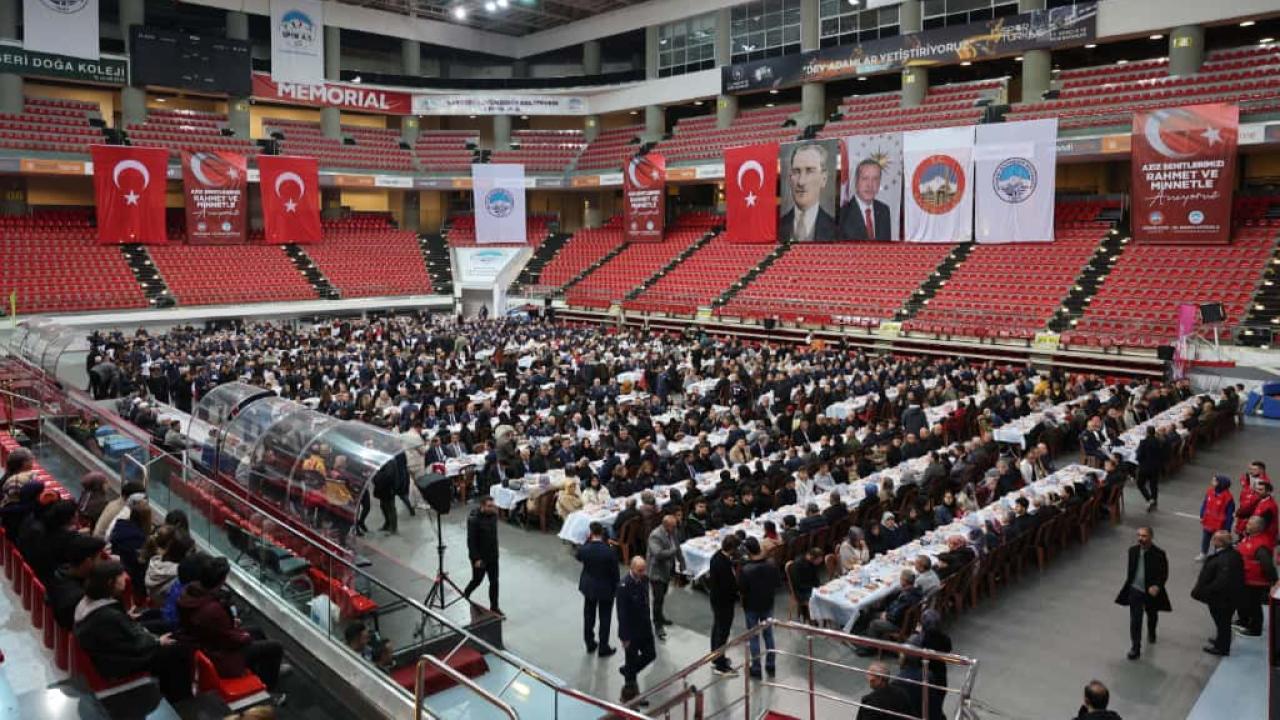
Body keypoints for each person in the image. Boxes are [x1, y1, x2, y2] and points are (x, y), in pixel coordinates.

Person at [74, 560, 194, 702]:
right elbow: (134, 644)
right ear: (110, 582)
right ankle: (180, 700)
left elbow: (120, 632)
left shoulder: (90, 600)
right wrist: (157, 641)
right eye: (121, 576)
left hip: (111, 647)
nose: (125, 577)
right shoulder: (108, 617)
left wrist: (126, 618)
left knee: (157, 622)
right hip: (117, 661)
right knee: (177, 650)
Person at [177, 556, 286, 693]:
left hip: (208, 642)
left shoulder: (190, 591)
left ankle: (264, 668)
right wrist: (244, 635)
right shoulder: (212, 610)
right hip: (222, 656)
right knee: (276, 647)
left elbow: (218, 629)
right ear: (221, 580)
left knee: (257, 631)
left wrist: (231, 626)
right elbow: (231, 639)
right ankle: (269, 689)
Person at [1114, 526, 1170, 660]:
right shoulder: (1132, 551)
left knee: (1152, 614)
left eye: (1144, 536)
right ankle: (1135, 647)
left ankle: (1151, 631)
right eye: (1139, 535)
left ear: (1151, 537)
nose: (1140, 538)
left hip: (1151, 592)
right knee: (1135, 620)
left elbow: (1163, 573)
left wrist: (1157, 586)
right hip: (1135, 590)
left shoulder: (1159, 554)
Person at [1191, 530, 1244, 656]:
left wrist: (1207, 590)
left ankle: (1222, 647)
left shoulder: (1224, 559)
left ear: (1220, 542)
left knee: (1222, 622)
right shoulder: (1233, 554)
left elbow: (1221, 581)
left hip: (1222, 598)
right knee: (1221, 622)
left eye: (1214, 539)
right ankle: (1220, 640)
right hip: (1227, 597)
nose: (1212, 540)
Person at [737, 536, 781, 679]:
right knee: (768, 634)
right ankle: (771, 664)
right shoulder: (771, 565)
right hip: (767, 603)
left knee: (753, 637)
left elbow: (742, 590)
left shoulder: (746, 569)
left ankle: (756, 668)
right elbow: (778, 583)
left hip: (751, 605)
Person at [778, 142, 838, 242]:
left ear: (823, 178)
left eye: (809, 171)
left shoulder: (837, 228)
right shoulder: (777, 225)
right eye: (796, 171)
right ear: (790, 178)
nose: (801, 182)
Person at [616, 556, 656, 706]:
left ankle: (628, 670)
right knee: (631, 664)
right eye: (640, 570)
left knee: (650, 655)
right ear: (631, 568)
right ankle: (632, 698)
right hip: (631, 633)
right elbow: (621, 614)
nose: (643, 572)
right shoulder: (624, 586)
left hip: (645, 628)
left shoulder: (644, 579)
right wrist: (624, 637)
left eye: (644, 569)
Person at [47, 534, 107, 629]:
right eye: (100, 558)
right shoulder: (78, 599)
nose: (102, 562)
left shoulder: (60, 573)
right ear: (88, 562)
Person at [577, 522, 619, 656]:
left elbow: (578, 556)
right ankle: (603, 646)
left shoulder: (585, 549)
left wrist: (587, 542)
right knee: (605, 618)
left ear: (590, 534)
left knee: (588, 616)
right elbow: (615, 572)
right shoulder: (610, 551)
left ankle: (589, 643)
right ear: (602, 533)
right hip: (606, 588)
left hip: (589, 587)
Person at [1235, 515, 1278, 638]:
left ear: (1258, 527)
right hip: (1245, 578)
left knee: (1254, 605)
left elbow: (1267, 565)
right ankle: (1244, 621)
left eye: (1250, 524)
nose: (1247, 525)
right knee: (1244, 602)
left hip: (1255, 581)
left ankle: (1255, 629)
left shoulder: (1261, 545)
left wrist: (1274, 581)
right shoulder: (1249, 537)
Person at [707, 534, 741, 675]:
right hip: (724, 601)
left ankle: (716, 656)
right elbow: (729, 586)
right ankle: (720, 665)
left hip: (717, 599)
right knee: (723, 631)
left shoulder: (717, 557)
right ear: (732, 549)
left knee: (717, 627)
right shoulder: (723, 564)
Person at [645, 514, 682, 640]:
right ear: (666, 526)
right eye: (673, 526)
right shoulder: (655, 535)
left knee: (662, 596)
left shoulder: (672, 532)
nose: (675, 528)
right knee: (658, 598)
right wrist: (673, 551)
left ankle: (660, 616)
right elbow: (658, 554)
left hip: (666, 570)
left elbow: (677, 547)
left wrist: (682, 562)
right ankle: (658, 625)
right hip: (656, 572)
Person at [463, 495, 501, 613]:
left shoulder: (494, 515)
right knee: (477, 580)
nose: (492, 508)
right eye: (489, 506)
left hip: (493, 556)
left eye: (493, 506)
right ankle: (465, 594)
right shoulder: (474, 520)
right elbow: (471, 541)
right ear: (482, 506)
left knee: (494, 582)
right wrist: (476, 559)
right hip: (480, 557)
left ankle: (494, 607)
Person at [839, 160, 893, 241]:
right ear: (856, 182)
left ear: (879, 183)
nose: (870, 185)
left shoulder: (884, 211)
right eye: (865, 178)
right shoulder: (842, 215)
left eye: (875, 179)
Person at [1197, 475, 1235, 561]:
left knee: (1218, 541)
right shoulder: (1210, 491)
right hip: (1208, 521)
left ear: (1221, 484)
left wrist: (1227, 528)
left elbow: (1229, 514)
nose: (1212, 482)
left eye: (1214, 481)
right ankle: (1203, 553)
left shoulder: (1228, 498)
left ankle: (1217, 556)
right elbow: (1205, 504)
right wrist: (1202, 515)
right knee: (1205, 538)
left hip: (1220, 525)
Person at [1134, 426, 1163, 512]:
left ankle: (1149, 499)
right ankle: (1154, 500)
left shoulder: (1143, 442)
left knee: (1140, 484)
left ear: (1147, 433)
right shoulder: (1159, 442)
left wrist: (1138, 460)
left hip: (1145, 467)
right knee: (1153, 485)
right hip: (1156, 467)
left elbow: (1139, 456)